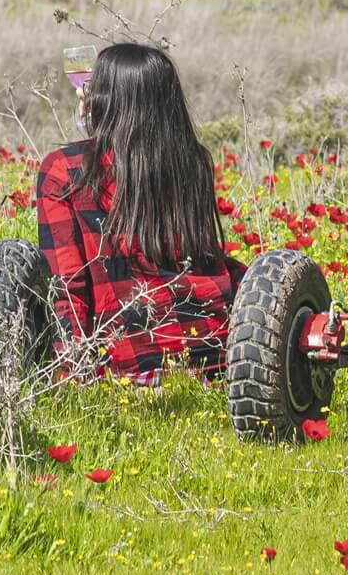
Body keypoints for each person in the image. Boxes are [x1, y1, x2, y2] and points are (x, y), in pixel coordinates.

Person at [36, 43, 245, 385]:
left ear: (107, 99)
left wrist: (70, 373)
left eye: (94, 86)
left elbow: (67, 285)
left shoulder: (66, 170)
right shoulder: (191, 161)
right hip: (215, 352)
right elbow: (204, 257)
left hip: (130, 363)